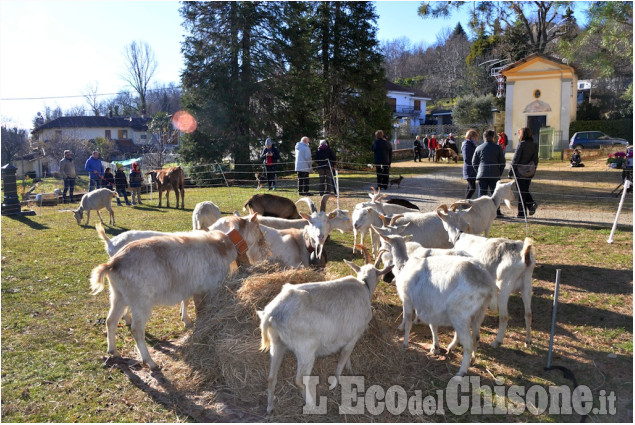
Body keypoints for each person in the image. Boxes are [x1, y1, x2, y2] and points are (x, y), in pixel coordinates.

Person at [473, 129, 506, 218]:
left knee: (482, 194)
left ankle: (481, 213)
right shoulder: (498, 147)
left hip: (482, 174)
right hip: (494, 174)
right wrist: (499, 172)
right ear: (493, 137)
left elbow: (474, 163)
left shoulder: (478, 148)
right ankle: (496, 212)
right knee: (495, 194)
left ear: (484, 137)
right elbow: (502, 162)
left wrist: (479, 171)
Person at [509, 127, 538, 218]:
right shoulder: (534, 144)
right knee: (524, 190)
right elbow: (535, 159)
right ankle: (530, 205)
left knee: (521, 192)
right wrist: (533, 169)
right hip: (529, 171)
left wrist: (511, 171)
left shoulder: (521, 144)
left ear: (522, 134)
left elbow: (515, 159)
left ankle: (522, 212)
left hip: (520, 171)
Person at [461, 129, 479, 199]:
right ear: (471, 137)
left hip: (471, 169)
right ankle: (465, 202)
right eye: (475, 137)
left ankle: (465, 202)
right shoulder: (466, 145)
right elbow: (467, 158)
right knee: (472, 188)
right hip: (469, 169)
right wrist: (474, 164)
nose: (476, 139)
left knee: (470, 187)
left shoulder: (470, 144)